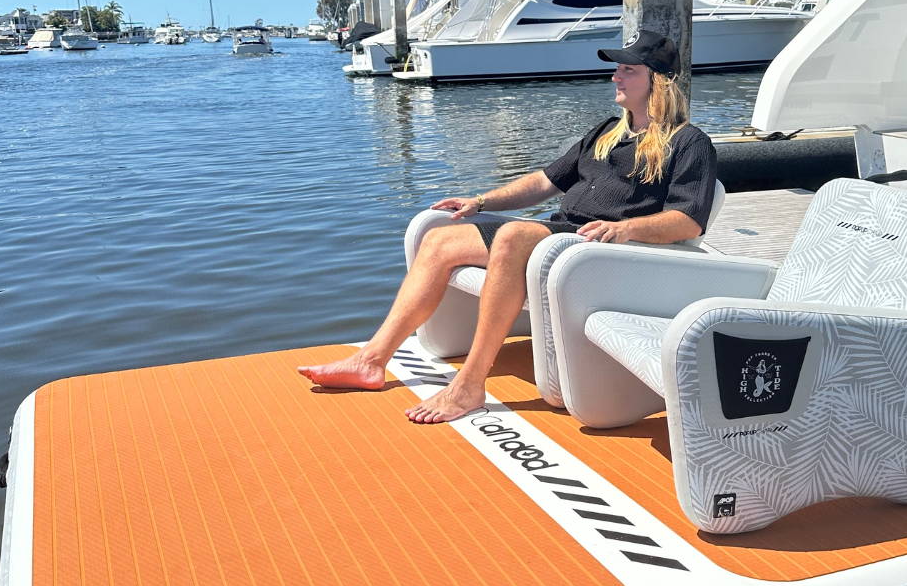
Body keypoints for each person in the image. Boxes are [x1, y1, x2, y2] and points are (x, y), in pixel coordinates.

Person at [298, 30, 718, 423]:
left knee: (516, 236)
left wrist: (626, 230)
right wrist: (481, 201)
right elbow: (543, 181)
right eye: (618, 68)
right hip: (563, 238)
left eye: (629, 70)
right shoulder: (607, 133)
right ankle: (370, 361)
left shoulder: (688, 142)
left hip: (602, 253)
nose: (615, 76)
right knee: (439, 239)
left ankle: (469, 386)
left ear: (658, 81)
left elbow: (688, 220)